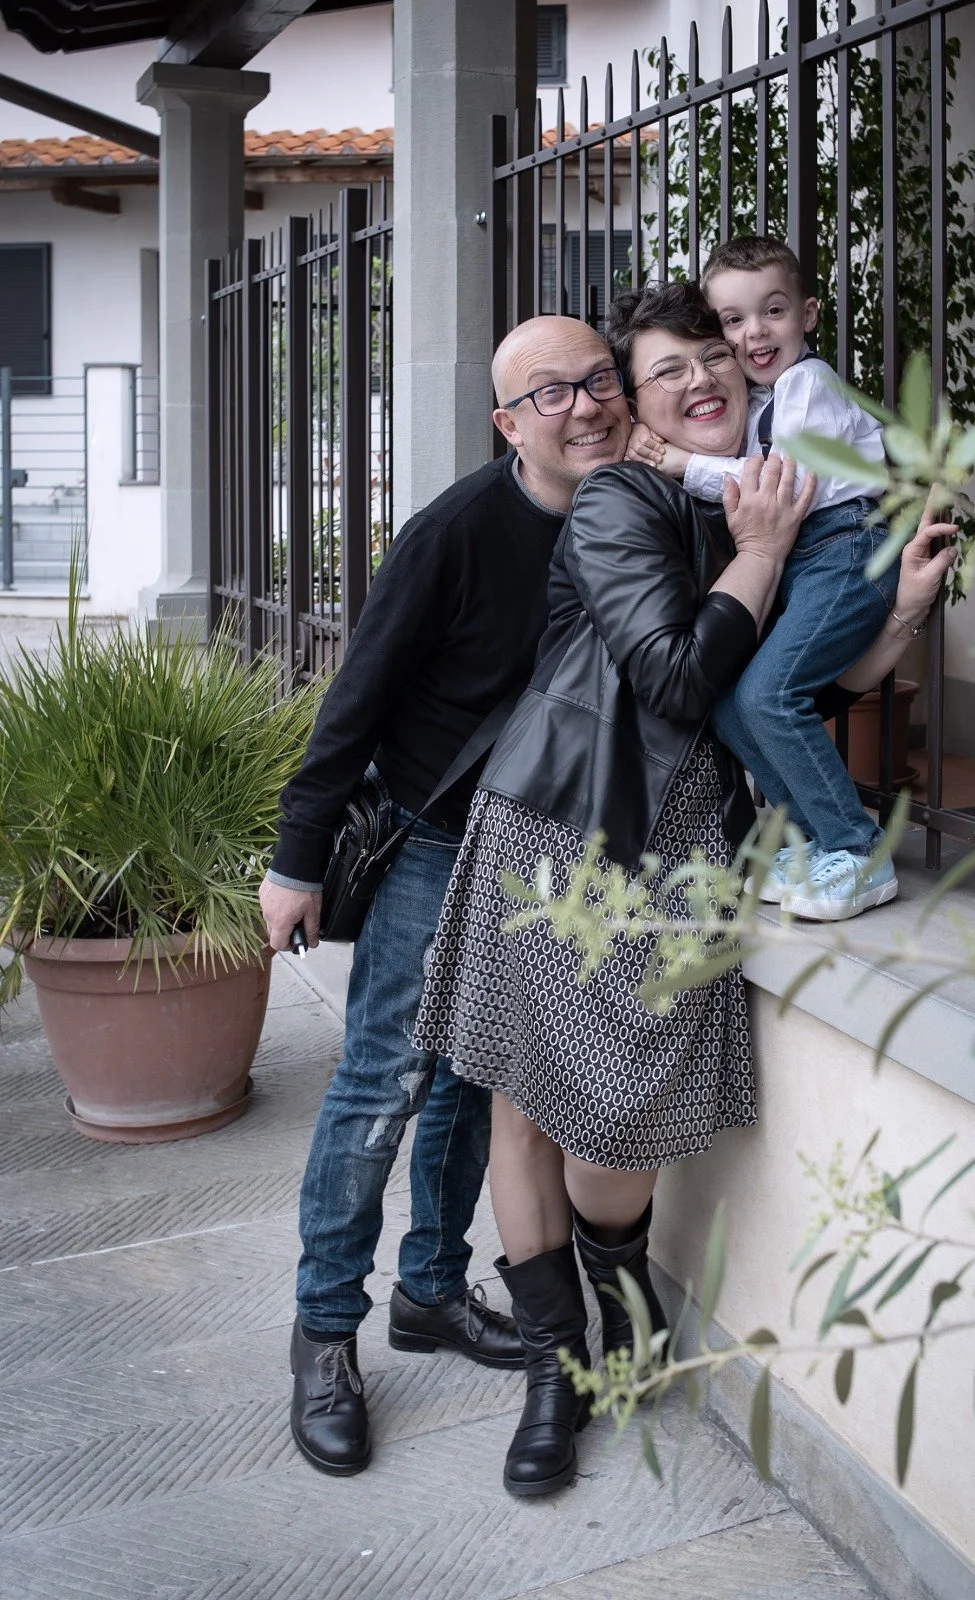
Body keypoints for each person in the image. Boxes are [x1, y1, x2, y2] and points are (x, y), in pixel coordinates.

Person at [414, 280, 956, 1503]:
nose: (702, 377)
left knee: (618, 1123)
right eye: (665, 370)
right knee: (523, 1110)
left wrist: (900, 610)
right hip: (559, 828)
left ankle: (623, 1304)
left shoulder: (752, 498)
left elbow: (790, 691)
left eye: (712, 355)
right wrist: (757, 554)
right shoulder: (622, 499)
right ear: (640, 409)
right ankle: (558, 1365)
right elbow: (669, 678)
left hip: (680, 851)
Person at [258, 315, 632, 1477]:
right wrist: (295, 857)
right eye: (551, 392)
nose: (584, 405)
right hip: (437, 837)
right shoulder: (456, 532)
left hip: (551, 858)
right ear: (507, 422)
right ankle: (325, 1331)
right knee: (384, 1086)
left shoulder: (639, 513)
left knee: (477, 1092)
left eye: (598, 380)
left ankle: (430, 1290)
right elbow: (356, 695)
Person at [627, 237, 911, 921]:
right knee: (734, 706)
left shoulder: (808, 385)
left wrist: (680, 465)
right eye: (733, 319)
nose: (754, 332)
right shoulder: (760, 399)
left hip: (844, 551)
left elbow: (782, 489)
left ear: (807, 314)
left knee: (770, 696)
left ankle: (858, 848)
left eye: (773, 311)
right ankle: (815, 843)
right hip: (810, 559)